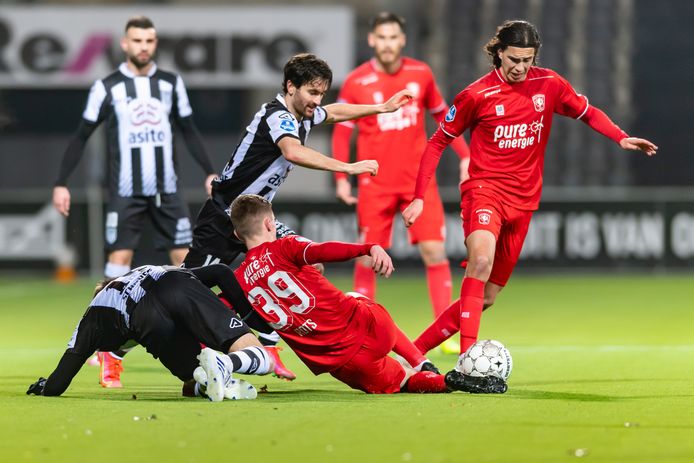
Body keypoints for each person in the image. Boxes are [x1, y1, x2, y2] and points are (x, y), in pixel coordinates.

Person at [402, 20, 658, 356]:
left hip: (524, 202)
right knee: (481, 261)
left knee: (487, 297)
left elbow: (587, 113)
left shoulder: (548, 84)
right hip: (485, 191)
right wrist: (418, 198)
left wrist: (620, 137)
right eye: (514, 59)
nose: (520, 67)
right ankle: (468, 358)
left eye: (527, 60)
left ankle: (413, 352)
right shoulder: (476, 95)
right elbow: (437, 142)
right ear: (499, 53)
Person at [182, 53, 414, 379]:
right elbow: (293, 151)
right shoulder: (277, 116)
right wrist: (348, 167)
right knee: (183, 291)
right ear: (291, 87)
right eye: (312, 92)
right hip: (223, 218)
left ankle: (268, 345)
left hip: (257, 220)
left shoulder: (303, 113)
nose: (317, 101)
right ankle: (117, 347)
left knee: (306, 263)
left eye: (322, 93)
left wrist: (381, 108)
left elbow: (333, 112)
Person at [200, 193, 507, 395]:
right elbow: (324, 250)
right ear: (270, 222)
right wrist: (367, 248)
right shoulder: (285, 246)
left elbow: (214, 315)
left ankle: (446, 381)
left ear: (238, 235)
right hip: (371, 328)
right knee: (355, 297)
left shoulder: (238, 281)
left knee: (403, 383)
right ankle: (420, 360)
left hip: (344, 364)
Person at [51, 16, 216, 387]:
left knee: (186, 267)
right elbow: (81, 135)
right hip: (125, 191)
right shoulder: (107, 86)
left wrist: (209, 171)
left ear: (155, 44)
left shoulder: (171, 83)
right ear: (125, 44)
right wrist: (61, 181)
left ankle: (200, 340)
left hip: (167, 190)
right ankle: (104, 347)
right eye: (137, 40)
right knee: (118, 268)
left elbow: (189, 131)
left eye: (149, 40)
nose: (144, 46)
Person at [332, 13, 470, 353]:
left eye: (393, 37)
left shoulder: (421, 74)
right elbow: (342, 131)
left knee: (434, 251)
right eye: (381, 37)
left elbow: (444, 117)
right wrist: (342, 176)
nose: (387, 44)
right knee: (367, 256)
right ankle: (361, 332)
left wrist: (466, 156)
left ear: (403, 40)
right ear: (371, 40)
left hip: (417, 183)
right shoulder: (356, 81)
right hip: (374, 183)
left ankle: (444, 333)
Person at [26, 264, 276, 402]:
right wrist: (250, 317)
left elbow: (58, 383)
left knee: (192, 379)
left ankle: (218, 369)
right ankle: (225, 368)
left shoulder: (92, 318)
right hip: (175, 282)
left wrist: (44, 386)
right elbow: (221, 271)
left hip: (146, 319)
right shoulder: (141, 271)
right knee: (263, 358)